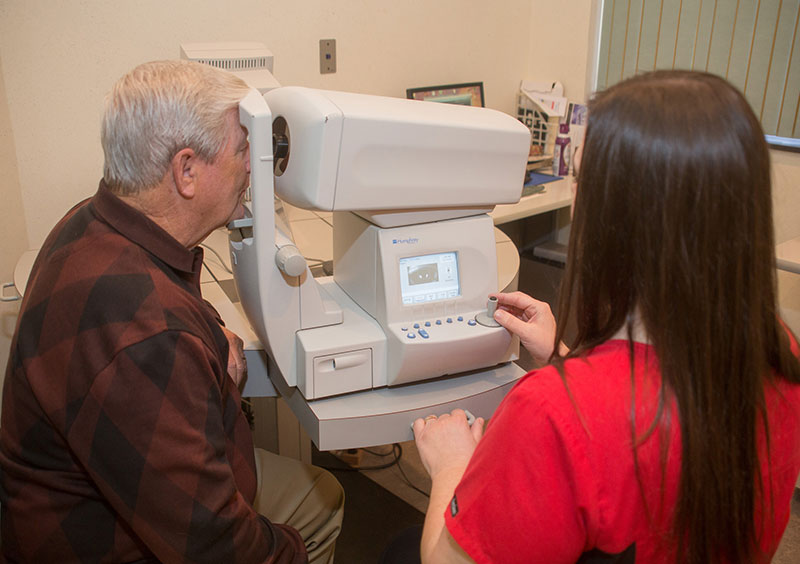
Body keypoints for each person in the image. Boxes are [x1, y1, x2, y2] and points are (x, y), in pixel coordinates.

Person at [413, 70, 800, 563]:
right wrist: (563, 357)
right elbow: (653, 407)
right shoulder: (781, 354)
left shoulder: (549, 414)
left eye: (581, 178)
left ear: (613, 216)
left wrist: (452, 466)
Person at [0, 60, 343, 563]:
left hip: (94, 500)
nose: (253, 166)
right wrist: (287, 547)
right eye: (243, 149)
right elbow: (218, 549)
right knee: (321, 504)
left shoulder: (90, 221)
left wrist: (209, 354)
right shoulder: (150, 341)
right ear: (186, 171)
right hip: (98, 541)